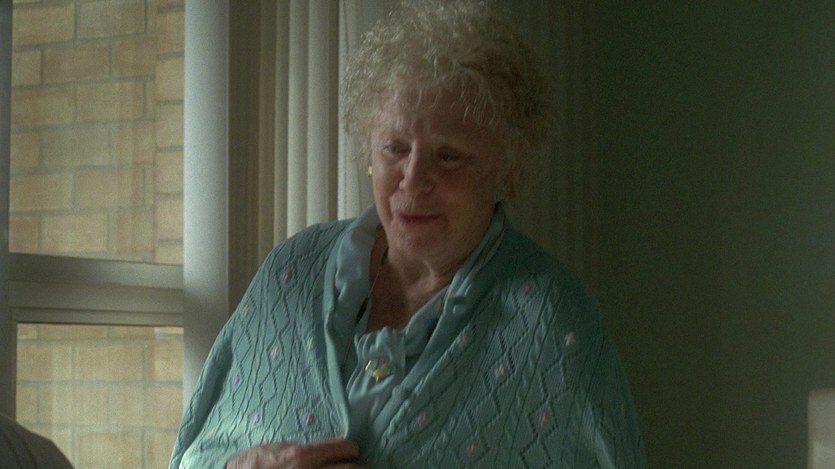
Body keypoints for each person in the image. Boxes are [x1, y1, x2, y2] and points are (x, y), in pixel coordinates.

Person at [170, 1, 645, 467]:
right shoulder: (291, 274)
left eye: (449, 156)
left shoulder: (550, 319)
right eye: (395, 148)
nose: (413, 180)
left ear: (507, 164)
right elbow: (197, 455)